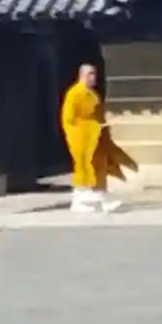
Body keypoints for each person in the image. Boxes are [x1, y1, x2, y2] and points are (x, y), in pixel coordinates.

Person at [61, 63, 138, 214]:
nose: (93, 77)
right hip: (83, 139)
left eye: (94, 74)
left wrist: (102, 129)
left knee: (101, 166)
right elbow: (69, 120)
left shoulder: (94, 95)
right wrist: (87, 129)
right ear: (81, 75)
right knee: (85, 166)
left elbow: (99, 117)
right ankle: (84, 198)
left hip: (97, 138)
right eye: (89, 74)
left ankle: (101, 197)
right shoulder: (74, 94)